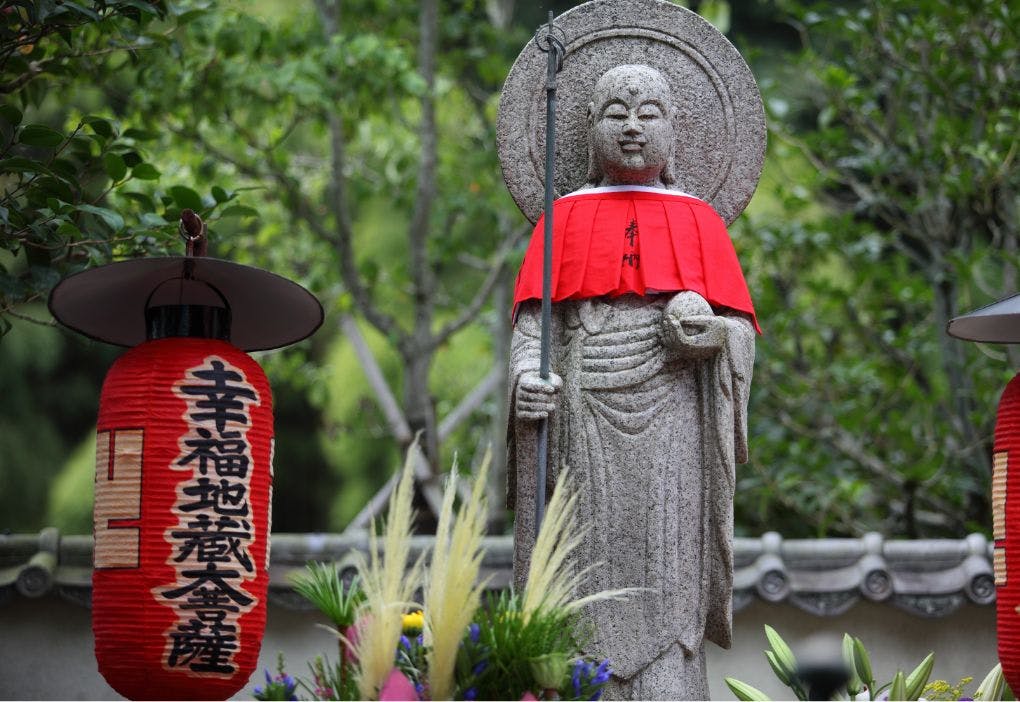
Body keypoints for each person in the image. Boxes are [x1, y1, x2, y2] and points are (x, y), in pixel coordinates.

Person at [508, 64, 757, 699]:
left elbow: (739, 333)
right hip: (582, 415)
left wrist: (709, 335)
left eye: (650, 112)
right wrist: (523, 382)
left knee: (667, 578)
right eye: (614, 111)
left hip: (674, 423)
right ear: (588, 129)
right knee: (581, 582)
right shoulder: (561, 217)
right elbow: (533, 327)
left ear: (676, 128)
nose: (632, 126)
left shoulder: (700, 222)